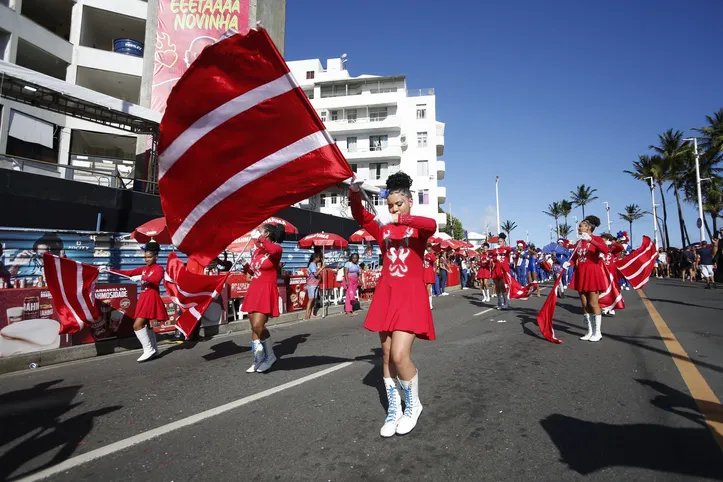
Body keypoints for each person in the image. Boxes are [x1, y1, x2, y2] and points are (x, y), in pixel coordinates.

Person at [349, 172, 436, 437]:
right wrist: (353, 192)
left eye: (399, 203)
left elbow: (431, 224)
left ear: (410, 202)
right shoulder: (382, 228)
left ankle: (413, 405)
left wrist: (399, 218)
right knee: (386, 356)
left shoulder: (418, 227)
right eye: (390, 205)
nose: (394, 208)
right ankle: (394, 409)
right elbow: (360, 216)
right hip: (386, 294)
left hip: (410, 296)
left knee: (400, 355)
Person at [106, 242, 166, 362]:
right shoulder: (143, 269)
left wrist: (141, 278)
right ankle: (154, 349)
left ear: (156, 257)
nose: (146, 259)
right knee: (147, 326)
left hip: (151, 298)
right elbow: (128, 273)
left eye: (149, 257)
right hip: (143, 298)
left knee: (137, 325)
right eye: (145, 257)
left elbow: (156, 280)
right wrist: (109, 270)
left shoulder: (159, 268)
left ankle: (148, 350)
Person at [241, 223, 285, 373]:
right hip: (254, 289)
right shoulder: (257, 251)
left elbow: (271, 250)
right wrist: (245, 265)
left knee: (259, 326)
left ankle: (270, 356)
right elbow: (252, 273)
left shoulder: (276, 249)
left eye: (260, 230)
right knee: (253, 326)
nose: (257, 232)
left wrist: (258, 238)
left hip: (266, 290)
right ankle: (258, 357)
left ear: (267, 234)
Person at [566, 216, 609, 342]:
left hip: (592, 273)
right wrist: (569, 263)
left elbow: (605, 250)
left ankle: (598, 332)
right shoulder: (579, 242)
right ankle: (589, 331)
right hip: (581, 273)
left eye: (581, 225)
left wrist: (591, 240)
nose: (579, 228)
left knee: (593, 303)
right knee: (584, 304)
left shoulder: (596, 239)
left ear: (588, 227)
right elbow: (574, 258)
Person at [490, 234, 513, 310]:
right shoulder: (495, 250)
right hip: (496, 270)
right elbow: (492, 256)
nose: (499, 243)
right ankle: (499, 303)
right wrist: (496, 257)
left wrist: (503, 247)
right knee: (497, 287)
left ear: (504, 241)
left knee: (502, 286)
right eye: (498, 241)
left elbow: (510, 250)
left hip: (503, 270)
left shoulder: (506, 249)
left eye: (501, 241)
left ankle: (506, 303)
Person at [305, 253, 324, 320]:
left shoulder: (314, 265)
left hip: (315, 283)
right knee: (311, 299)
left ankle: (312, 314)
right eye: (318, 258)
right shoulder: (312, 264)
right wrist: (321, 268)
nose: (319, 259)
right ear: (316, 258)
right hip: (311, 284)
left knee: (314, 299)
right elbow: (315, 274)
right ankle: (307, 315)